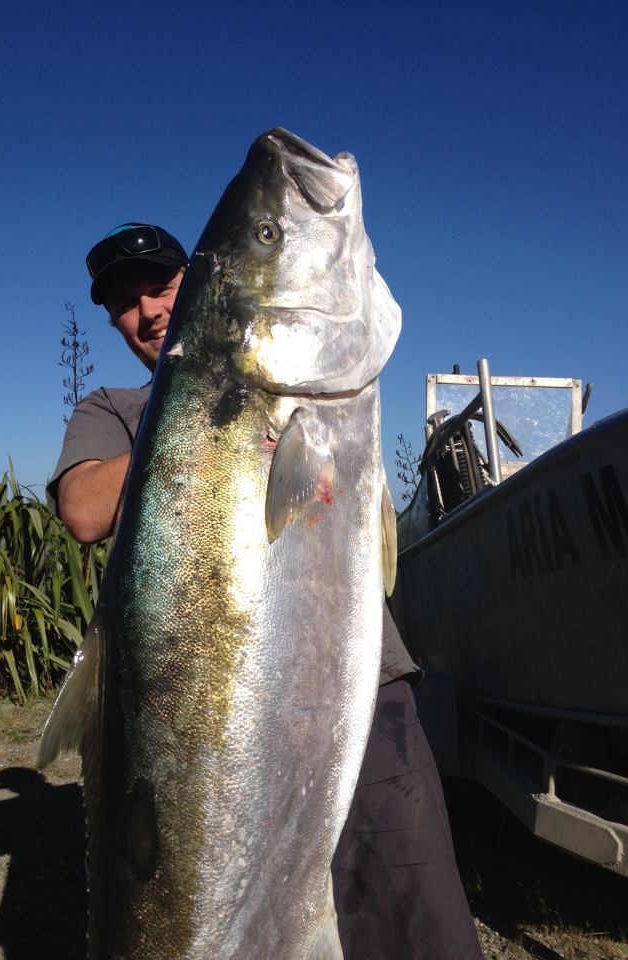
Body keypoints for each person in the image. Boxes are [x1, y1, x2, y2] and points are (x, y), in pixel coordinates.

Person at [47, 223, 484, 960]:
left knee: (414, 907)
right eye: (124, 303)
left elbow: (362, 317)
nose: (148, 311)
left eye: (160, 287)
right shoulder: (112, 409)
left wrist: (250, 379)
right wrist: (198, 412)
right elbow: (84, 511)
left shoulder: (297, 370)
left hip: (355, 678)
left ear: (198, 285)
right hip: (215, 712)